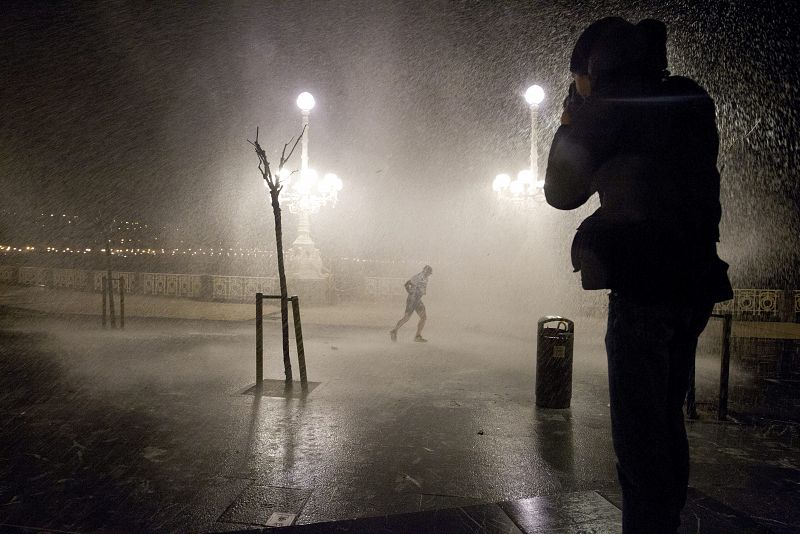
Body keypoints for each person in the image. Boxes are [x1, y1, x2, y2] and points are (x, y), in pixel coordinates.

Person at [544, 17, 733, 533]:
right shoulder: (689, 98)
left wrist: (569, 124)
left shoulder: (607, 110)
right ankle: (665, 522)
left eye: (578, 77)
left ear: (593, 70)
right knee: (667, 423)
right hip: (693, 283)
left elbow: (561, 192)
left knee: (638, 437)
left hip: (643, 287)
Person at [390, 265, 433, 342]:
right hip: (412, 300)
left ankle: (417, 336)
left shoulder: (426, 278)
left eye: (429, 273)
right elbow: (406, 284)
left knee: (423, 317)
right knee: (406, 318)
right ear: (424, 271)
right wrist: (410, 292)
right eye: (428, 272)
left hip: (418, 300)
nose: (428, 274)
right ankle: (394, 331)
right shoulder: (417, 277)